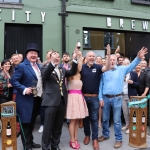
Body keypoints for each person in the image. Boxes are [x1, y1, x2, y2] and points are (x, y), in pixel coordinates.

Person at [98, 47, 148, 148]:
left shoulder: (121, 69)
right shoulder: (104, 71)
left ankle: (118, 139)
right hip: (106, 98)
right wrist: (100, 98)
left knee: (117, 120)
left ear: (116, 61)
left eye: (113, 60)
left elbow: (132, 65)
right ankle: (105, 134)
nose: (112, 61)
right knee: (105, 119)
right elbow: (100, 86)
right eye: (110, 60)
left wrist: (138, 58)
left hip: (117, 98)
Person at [41, 49, 79, 150]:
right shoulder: (45, 68)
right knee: (48, 127)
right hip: (50, 102)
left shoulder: (62, 69)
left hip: (62, 101)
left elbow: (72, 72)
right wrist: (52, 63)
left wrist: (75, 60)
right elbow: (45, 76)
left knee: (58, 127)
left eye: (58, 56)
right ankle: (45, 148)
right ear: (49, 57)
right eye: (54, 56)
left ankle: (55, 146)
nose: (57, 58)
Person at [11, 43, 43, 150]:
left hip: (36, 99)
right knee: (25, 124)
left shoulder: (39, 66)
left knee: (32, 122)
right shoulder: (21, 66)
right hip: (25, 100)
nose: (33, 55)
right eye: (31, 53)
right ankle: (26, 146)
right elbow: (13, 81)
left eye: (35, 53)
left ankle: (31, 142)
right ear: (26, 55)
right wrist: (24, 89)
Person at [81, 44, 111, 150]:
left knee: (94, 119)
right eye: (90, 56)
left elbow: (107, 67)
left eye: (93, 56)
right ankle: (87, 135)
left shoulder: (97, 67)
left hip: (94, 98)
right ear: (86, 57)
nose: (92, 58)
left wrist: (108, 54)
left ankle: (94, 139)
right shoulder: (82, 67)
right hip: (83, 97)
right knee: (85, 118)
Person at [66, 49, 88, 149]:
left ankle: (75, 138)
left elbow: (80, 65)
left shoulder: (80, 74)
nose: (80, 65)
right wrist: (78, 56)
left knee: (77, 121)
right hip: (72, 98)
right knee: (72, 121)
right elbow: (78, 66)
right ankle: (72, 139)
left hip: (79, 97)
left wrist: (80, 56)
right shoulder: (70, 74)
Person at [121, 59, 139, 134]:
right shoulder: (121, 73)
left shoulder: (134, 73)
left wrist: (132, 82)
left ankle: (132, 127)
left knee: (131, 112)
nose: (125, 65)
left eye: (127, 64)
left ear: (129, 65)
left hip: (131, 95)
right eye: (124, 64)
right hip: (122, 95)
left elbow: (137, 84)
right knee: (125, 112)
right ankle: (127, 125)